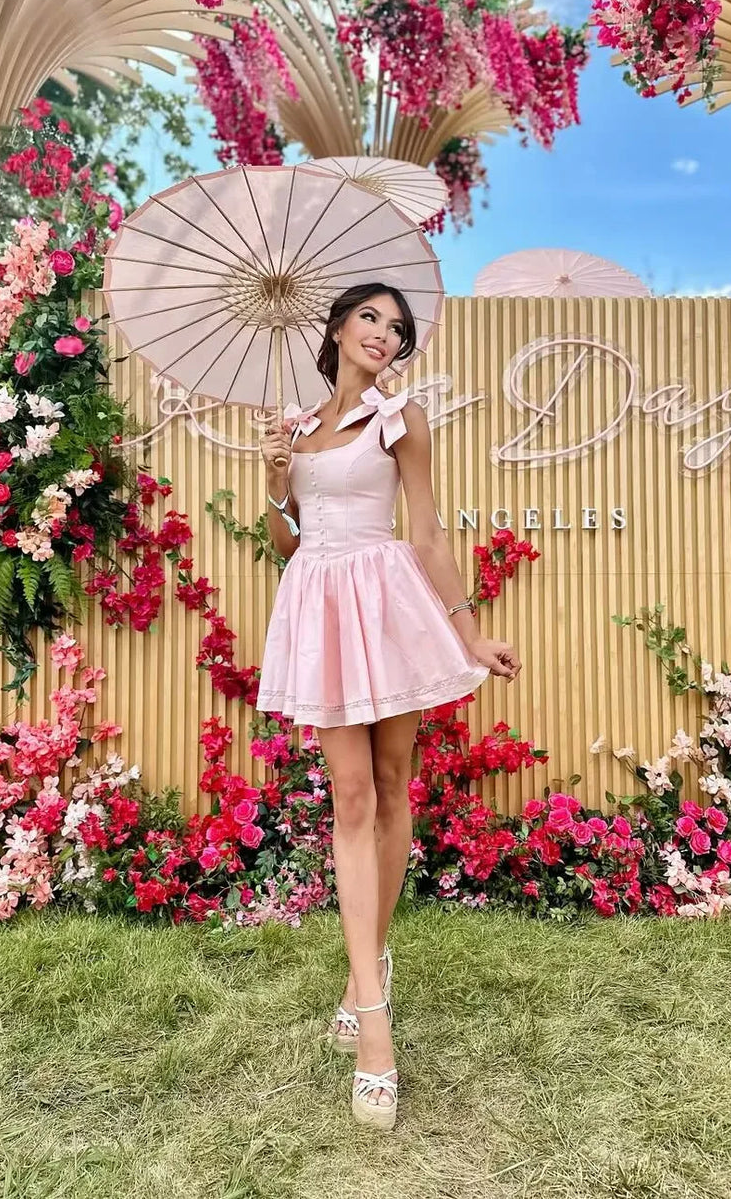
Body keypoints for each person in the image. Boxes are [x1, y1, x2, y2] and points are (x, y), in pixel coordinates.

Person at [256, 282, 522, 1131]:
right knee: (351, 794)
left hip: (386, 599)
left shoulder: (401, 418)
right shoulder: (296, 429)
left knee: (392, 781)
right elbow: (287, 542)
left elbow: (427, 534)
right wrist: (275, 479)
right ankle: (373, 1019)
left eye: (396, 327)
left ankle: (363, 969)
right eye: (370, 317)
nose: (383, 333)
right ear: (338, 327)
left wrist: (471, 633)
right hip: (323, 607)